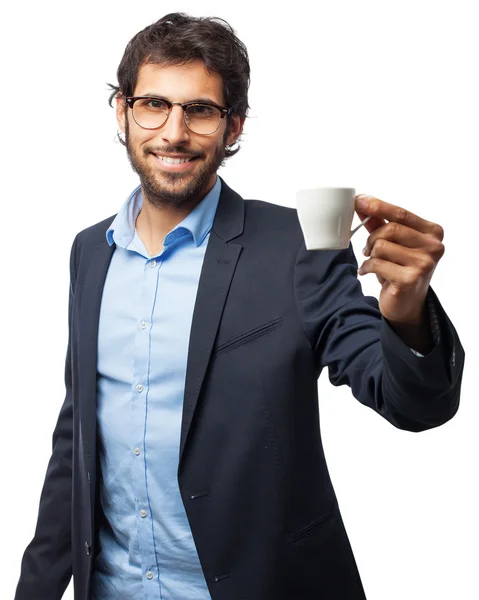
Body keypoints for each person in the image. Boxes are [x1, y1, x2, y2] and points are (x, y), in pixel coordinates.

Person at [15, 12, 464, 600]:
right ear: (122, 112)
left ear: (234, 127)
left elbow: (412, 403)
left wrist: (407, 312)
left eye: (200, 110)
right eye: (154, 104)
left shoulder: (298, 246)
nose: (173, 132)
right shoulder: (89, 252)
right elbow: (78, 434)